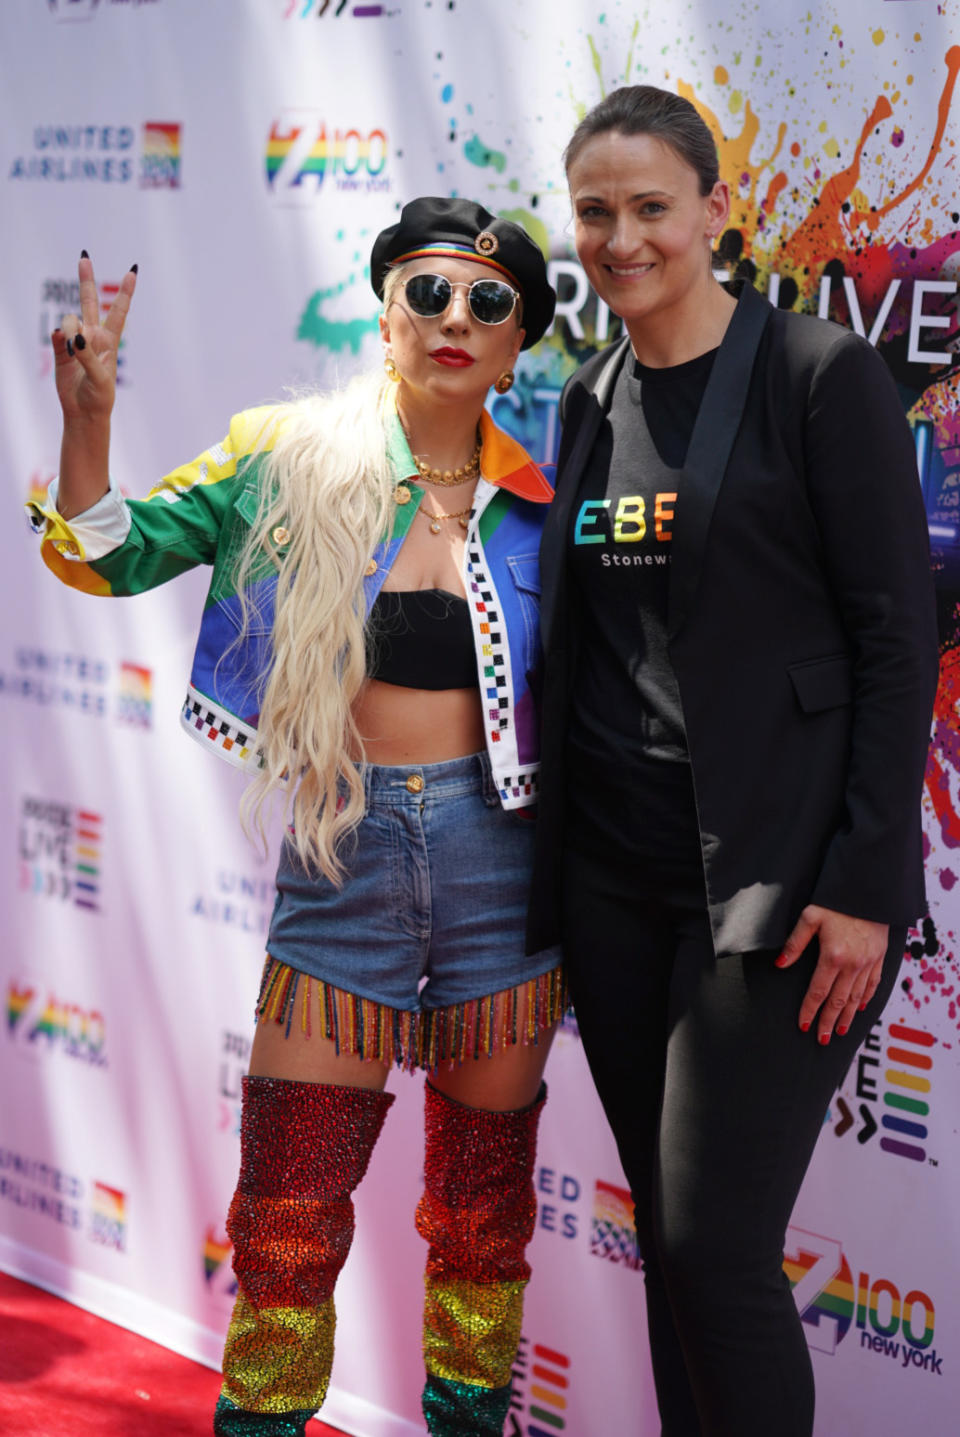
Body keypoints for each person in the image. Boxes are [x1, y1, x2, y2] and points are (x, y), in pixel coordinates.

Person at [31, 198, 561, 1437]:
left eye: (487, 304)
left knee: (486, 1217)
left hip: (506, 866)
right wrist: (90, 424)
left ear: (517, 340)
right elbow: (104, 553)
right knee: (288, 1213)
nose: (453, 319)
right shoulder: (280, 454)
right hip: (345, 862)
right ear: (385, 312)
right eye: (426, 293)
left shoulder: (546, 489)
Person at [526, 86, 939, 1437]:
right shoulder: (588, 393)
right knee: (672, 1246)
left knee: (714, 1248)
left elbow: (895, 640)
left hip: (774, 892)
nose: (623, 237)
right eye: (597, 211)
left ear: (715, 209)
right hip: (616, 887)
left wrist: (868, 883)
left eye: (653, 207)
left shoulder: (821, 374)